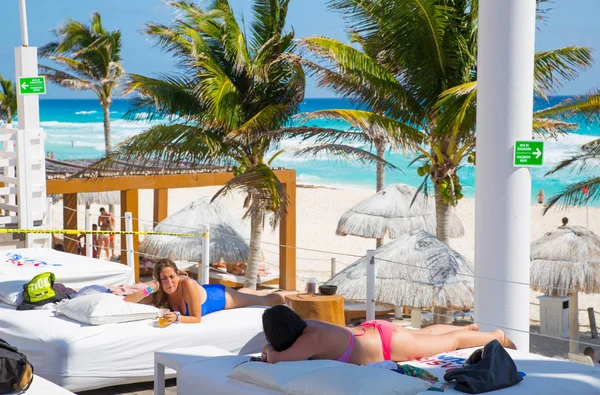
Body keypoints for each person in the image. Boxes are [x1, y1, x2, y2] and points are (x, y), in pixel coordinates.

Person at [261, 305, 516, 365]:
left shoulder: (308, 341)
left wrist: (268, 350)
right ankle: (466, 328)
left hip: (386, 345)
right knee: (424, 334)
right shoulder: (308, 325)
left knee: (451, 344)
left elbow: (274, 358)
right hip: (374, 331)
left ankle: (497, 336)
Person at [124, 259, 297, 324]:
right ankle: (247, 291)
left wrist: (176, 318)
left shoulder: (187, 284)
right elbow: (128, 301)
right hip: (205, 292)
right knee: (250, 293)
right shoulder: (160, 292)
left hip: (219, 296)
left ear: (177, 274)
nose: (169, 282)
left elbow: (196, 319)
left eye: (171, 276)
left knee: (267, 300)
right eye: (163, 279)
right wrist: (151, 287)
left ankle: (296, 293)